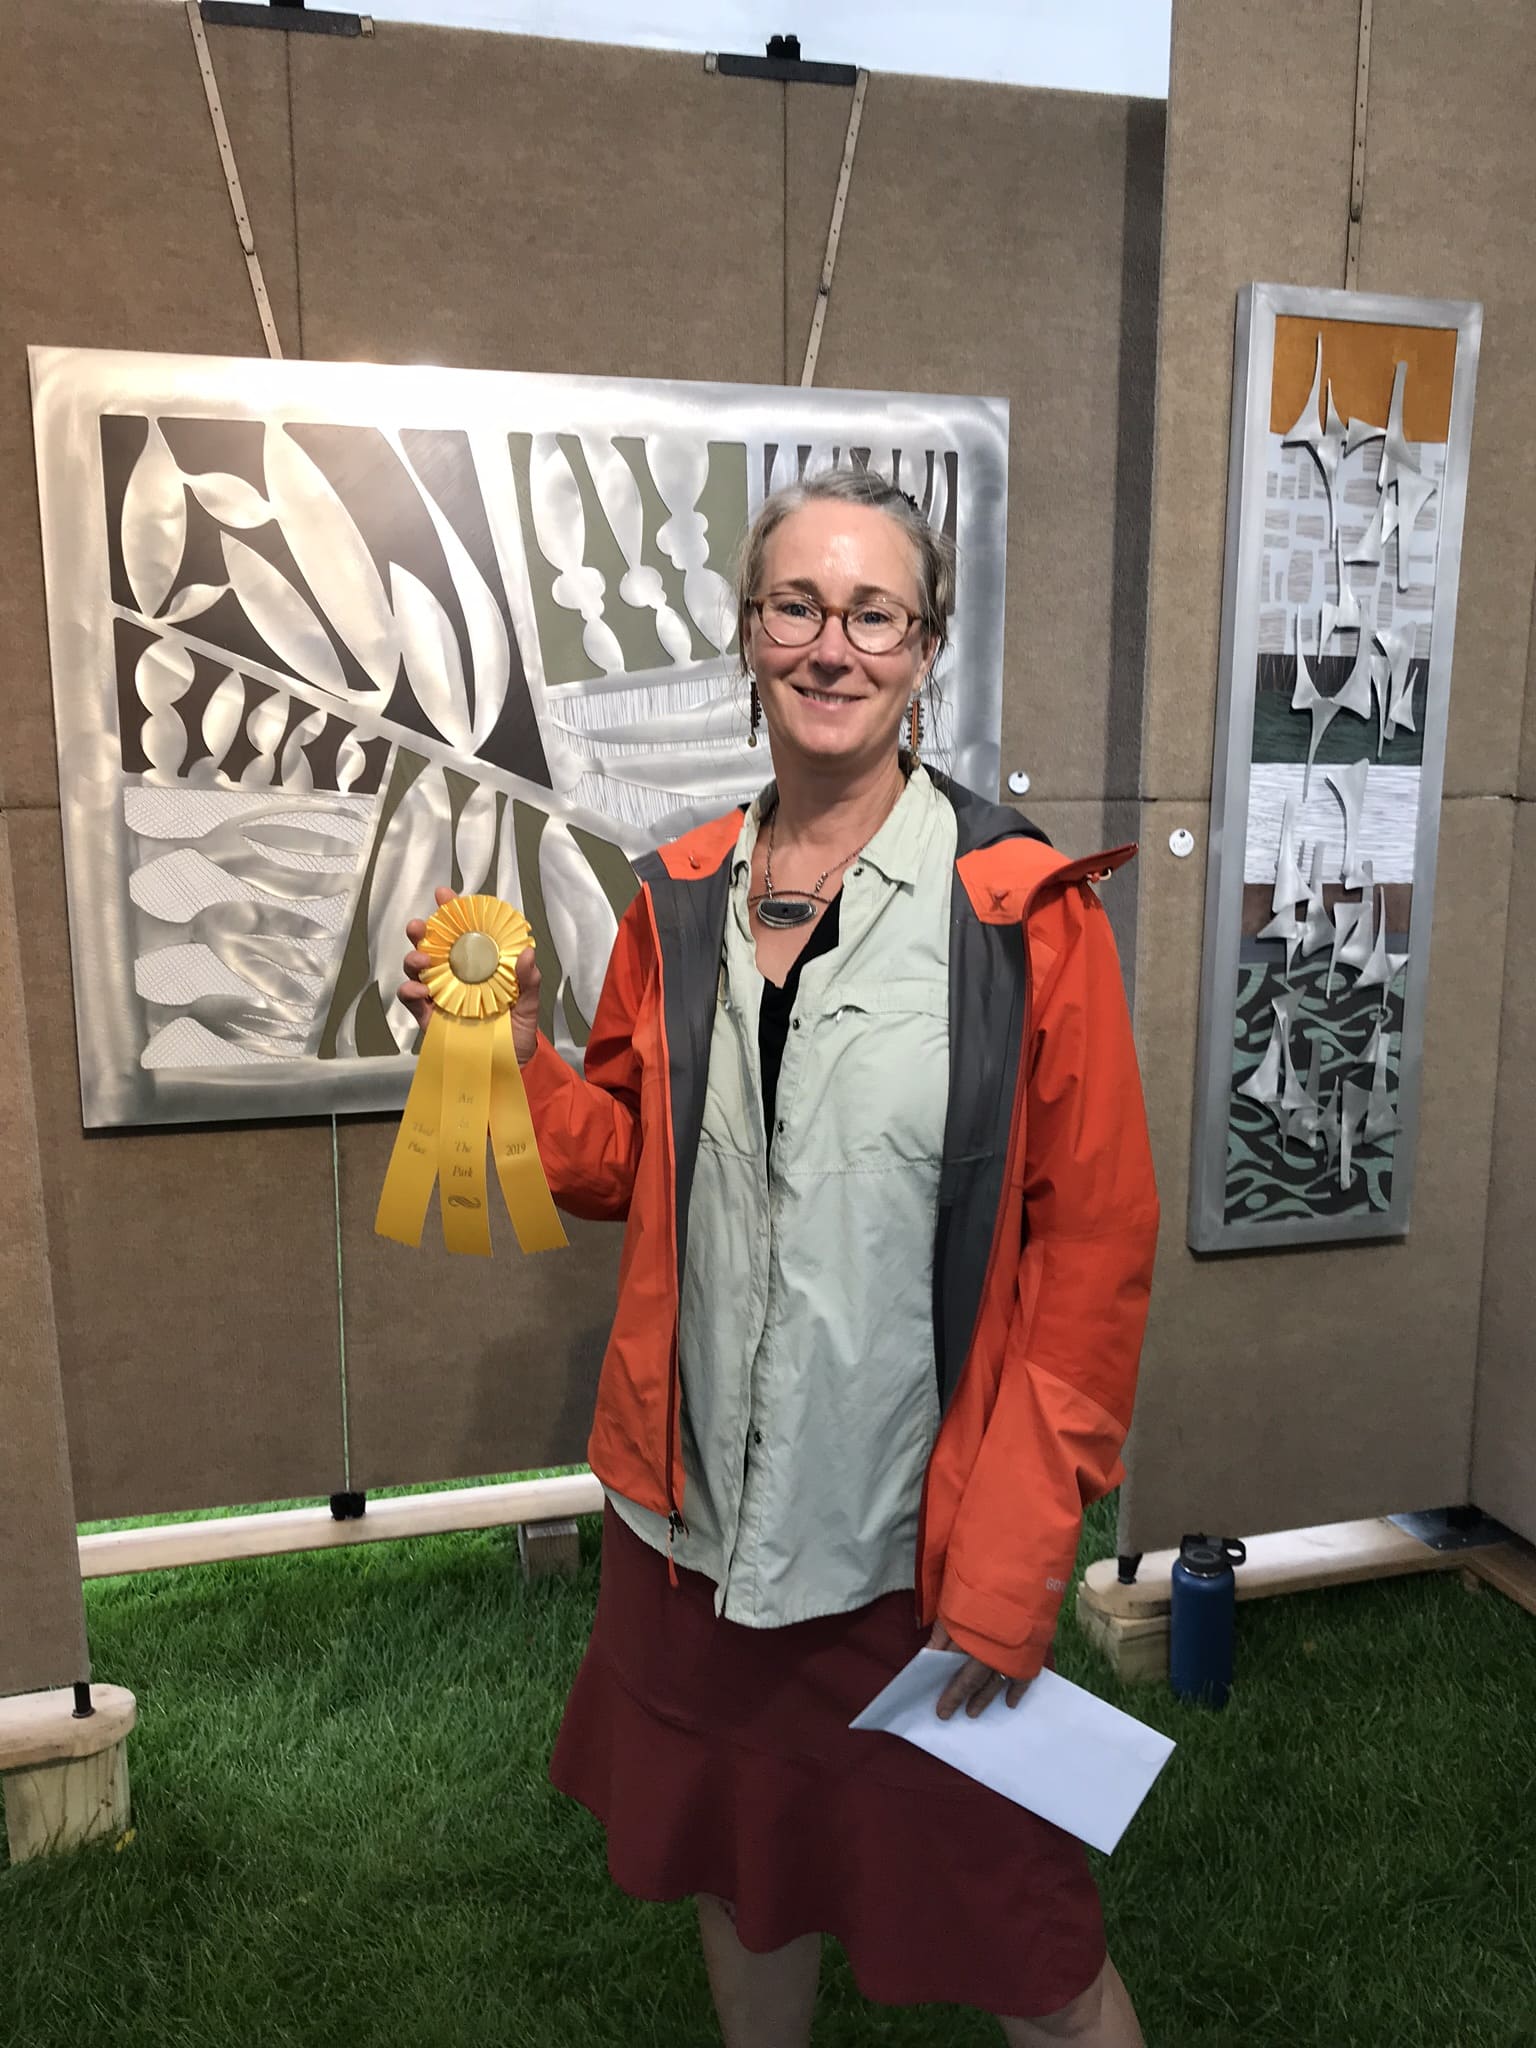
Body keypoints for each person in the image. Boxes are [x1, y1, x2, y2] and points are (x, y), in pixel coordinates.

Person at [399, 469, 1159, 2046]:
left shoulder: (1020, 914)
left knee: (1031, 1939)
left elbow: (1092, 1260)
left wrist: (1017, 1565)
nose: (833, 645)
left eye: (872, 612)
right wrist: (512, 1052)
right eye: (797, 607)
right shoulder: (676, 897)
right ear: (747, 635)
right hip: (699, 1552)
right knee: (747, 1882)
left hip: (919, 1557)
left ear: (925, 647)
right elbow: (619, 1165)